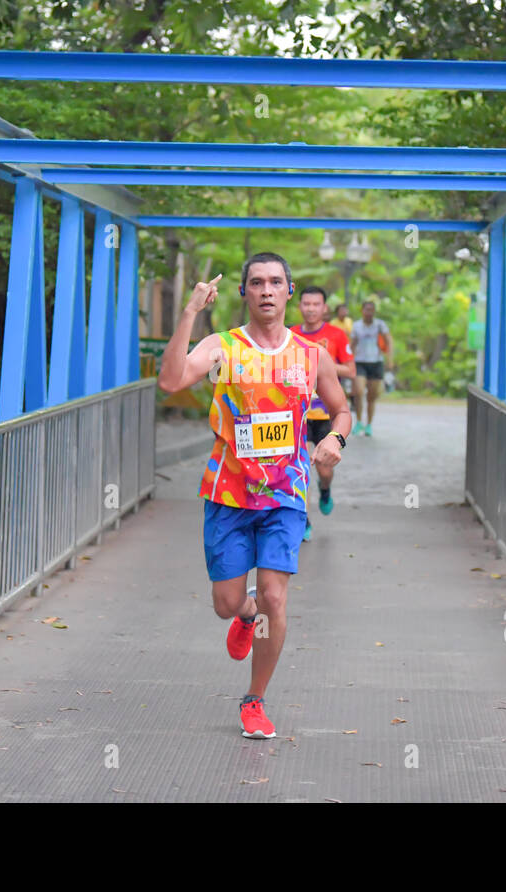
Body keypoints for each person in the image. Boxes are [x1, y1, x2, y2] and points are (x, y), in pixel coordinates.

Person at [157, 253, 351, 739]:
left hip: (285, 495)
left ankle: (255, 699)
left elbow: (341, 409)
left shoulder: (311, 355)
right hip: (228, 492)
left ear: (290, 292)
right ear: (244, 292)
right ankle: (243, 617)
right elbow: (171, 380)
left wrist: (335, 438)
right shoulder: (222, 347)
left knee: (274, 598)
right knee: (228, 602)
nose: (267, 290)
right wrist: (189, 313)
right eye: (257, 282)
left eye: (276, 282)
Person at [290, 286, 356, 539]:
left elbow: (350, 371)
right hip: (296, 413)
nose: (310, 309)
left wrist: (319, 365)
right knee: (296, 471)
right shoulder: (290, 335)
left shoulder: (337, 335)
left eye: (316, 304)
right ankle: (302, 519)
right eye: (306, 304)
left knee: (323, 470)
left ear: (324, 308)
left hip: (325, 414)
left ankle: (325, 489)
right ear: (299, 306)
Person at [349, 300, 392, 437]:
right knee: (359, 391)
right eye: (367, 309)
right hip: (360, 362)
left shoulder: (380, 325)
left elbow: (388, 340)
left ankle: (368, 425)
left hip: (376, 362)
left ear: (374, 311)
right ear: (362, 311)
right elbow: (353, 344)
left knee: (371, 397)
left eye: (371, 310)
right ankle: (359, 421)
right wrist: (348, 360)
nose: (369, 312)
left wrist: (390, 359)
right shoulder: (357, 326)